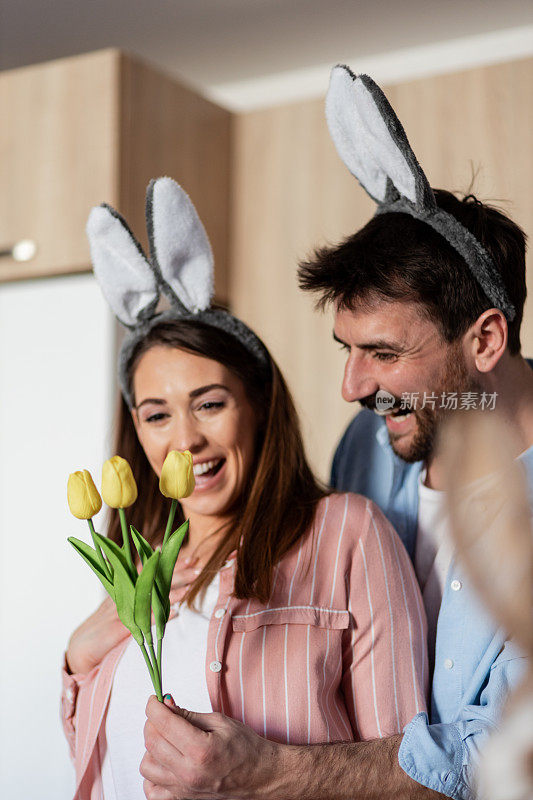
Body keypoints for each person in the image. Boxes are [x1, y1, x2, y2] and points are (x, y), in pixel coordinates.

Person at [137, 72, 533, 800]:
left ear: (483, 339)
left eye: (382, 354)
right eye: (344, 350)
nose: (351, 388)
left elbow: (501, 755)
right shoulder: (371, 446)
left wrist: (271, 772)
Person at [61, 177, 427, 800]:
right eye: (156, 414)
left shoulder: (347, 532)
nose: (186, 440)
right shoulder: (136, 562)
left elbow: (409, 773)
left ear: (257, 406)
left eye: (208, 404)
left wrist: (264, 773)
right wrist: (76, 658)